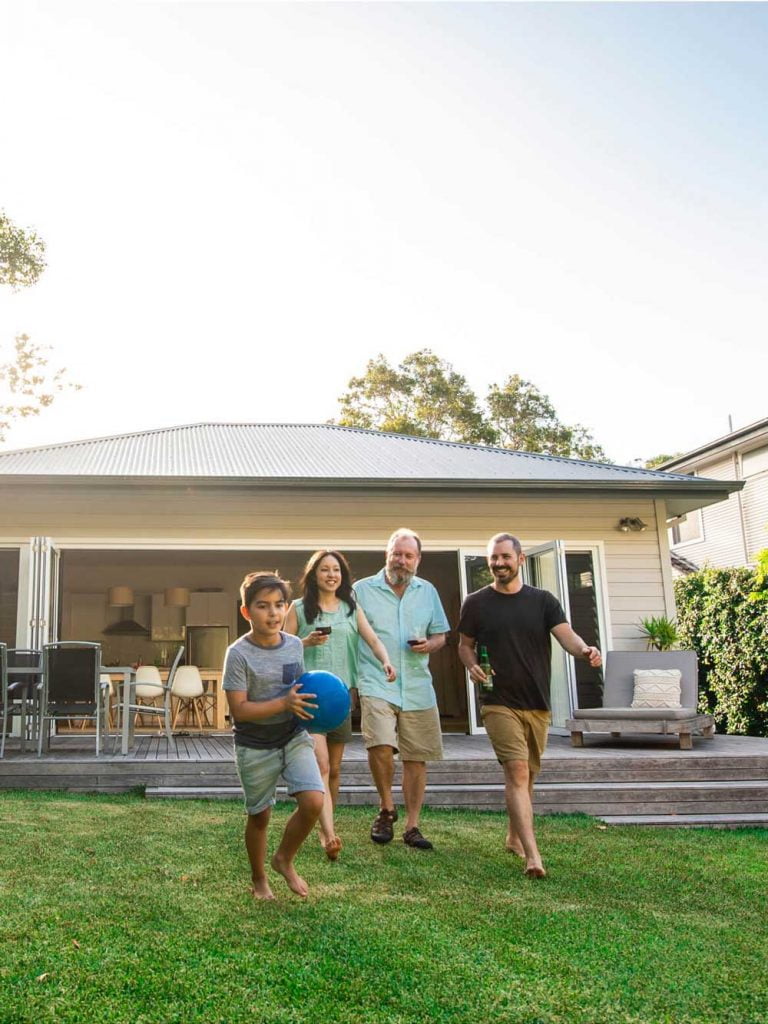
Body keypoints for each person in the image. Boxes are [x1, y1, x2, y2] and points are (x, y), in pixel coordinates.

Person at [458, 533, 602, 879]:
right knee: (518, 771)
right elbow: (464, 645)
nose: (499, 563)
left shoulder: (543, 601)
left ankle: (512, 837)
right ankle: (533, 856)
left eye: (505, 557)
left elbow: (567, 636)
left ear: (520, 559)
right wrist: (471, 665)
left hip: (536, 702)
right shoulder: (476, 603)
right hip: (497, 701)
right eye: (494, 558)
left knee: (528, 775)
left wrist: (585, 650)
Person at [284, 549, 396, 861]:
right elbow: (280, 646)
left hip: (340, 698)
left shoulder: (350, 608)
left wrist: (386, 661)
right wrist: (305, 642)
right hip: (309, 697)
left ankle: (324, 823)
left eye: (336, 570)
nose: (331, 575)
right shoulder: (298, 608)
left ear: (342, 576)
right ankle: (328, 833)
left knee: (334, 769)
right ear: (314, 575)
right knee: (320, 765)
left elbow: (372, 639)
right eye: (325, 569)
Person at [223, 571, 324, 900]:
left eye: (279, 605)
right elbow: (239, 710)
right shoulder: (237, 654)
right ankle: (259, 878)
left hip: (292, 736)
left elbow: (300, 689)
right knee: (260, 815)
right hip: (254, 744)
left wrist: (321, 707)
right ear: (246, 611)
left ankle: (284, 859)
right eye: (263, 605)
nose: (273, 613)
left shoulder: (294, 646)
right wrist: (283, 703)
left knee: (313, 801)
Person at [355, 528, 449, 851]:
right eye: (397, 554)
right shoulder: (361, 590)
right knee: (379, 744)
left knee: (416, 757)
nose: (402, 560)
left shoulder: (428, 591)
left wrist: (429, 645)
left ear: (418, 559)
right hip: (376, 680)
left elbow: (441, 635)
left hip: (418, 684)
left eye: (409, 556)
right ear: (387, 555)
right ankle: (386, 808)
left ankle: (412, 826)